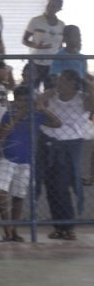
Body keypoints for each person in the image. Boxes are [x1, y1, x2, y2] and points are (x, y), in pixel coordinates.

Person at [0, 85, 60, 242]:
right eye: (20, 100)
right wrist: (17, 117)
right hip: (8, 158)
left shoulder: (36, 115)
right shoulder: (9, 114)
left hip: (26, 161)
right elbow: (0, 135)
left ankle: (14, 230)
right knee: (0, 192)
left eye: (26, 101)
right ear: (15, 101)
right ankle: (8, 228)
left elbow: (57, 123)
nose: (23, 103)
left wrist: (43, 109)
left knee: (19, 196)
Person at [39, 70, 94, 241]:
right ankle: (58, 226)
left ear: (72, 83)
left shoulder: (81, 98)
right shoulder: (52, 96)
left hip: (69, 145)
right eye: (58, 79)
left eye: (62, 80)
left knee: (62, 186)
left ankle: (67, 226)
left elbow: (92, 104)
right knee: (51, 188)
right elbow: (37, 103)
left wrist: (86, 82)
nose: (58, 82)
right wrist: (49, 91)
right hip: (48, 142)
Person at [22, 0, 64, 89]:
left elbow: (60, 46)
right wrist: (36, 46)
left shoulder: (61, 25)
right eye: (49, 5)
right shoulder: (35, 21)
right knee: (32, 90)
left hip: (52, 64)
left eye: (54, 6)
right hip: (35, 62)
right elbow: (24, 40)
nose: (50, 8)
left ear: (59, 9)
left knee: (51, 91)